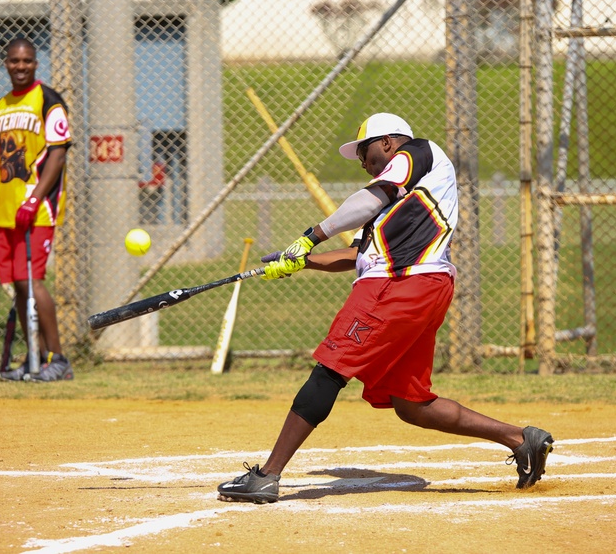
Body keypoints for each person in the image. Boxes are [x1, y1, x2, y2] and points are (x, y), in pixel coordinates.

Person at [216, 112, 554, 503]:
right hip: (419, 286)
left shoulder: (417, 153)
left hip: (398, 285)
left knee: (330, 370)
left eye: (365, 152)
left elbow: (368, 200)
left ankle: (268, 475)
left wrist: (309, 237)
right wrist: (300, 260)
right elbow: (355, 254)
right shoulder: (391, 201)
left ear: (388, 143)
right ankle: (519, 439)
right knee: (411, 404)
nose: (362, 162)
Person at [0, 38, 74, 382]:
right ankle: (32, 360)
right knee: (18, 284)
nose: (21, 67)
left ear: (35, 64)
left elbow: (58, 155)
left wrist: (33, 199)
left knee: (33, 281)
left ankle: (58, 359)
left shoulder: (48, 101)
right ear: (5, 63)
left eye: (27, 61)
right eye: (15, 61)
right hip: (3, 210)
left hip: (37, 210)